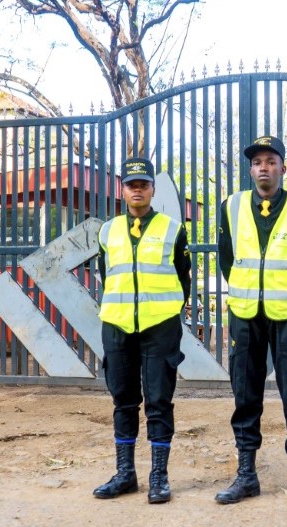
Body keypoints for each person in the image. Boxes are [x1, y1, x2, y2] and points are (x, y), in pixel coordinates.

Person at [215, 135, 287, 509]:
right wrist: (249, 291)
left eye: (271, 161)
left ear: (283, 167)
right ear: (250, 169)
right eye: (257, 161)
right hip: (246, 313)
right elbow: (226, 260)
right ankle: (246, 474)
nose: (264, 167)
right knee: (245, 393)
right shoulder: (230, 207)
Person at [92, 157, 191, 504]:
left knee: (159, 401)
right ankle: (125, 474)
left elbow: (183, 277)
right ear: (123, 189)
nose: (137, 190)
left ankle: (159, 477)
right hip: (117, 326)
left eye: (143, 184)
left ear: (152, 189)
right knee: (123, 400)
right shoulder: (107, 231)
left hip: (160, 327)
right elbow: (107, 276)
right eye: (131, 184)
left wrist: (168, 312)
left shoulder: (173, 229)